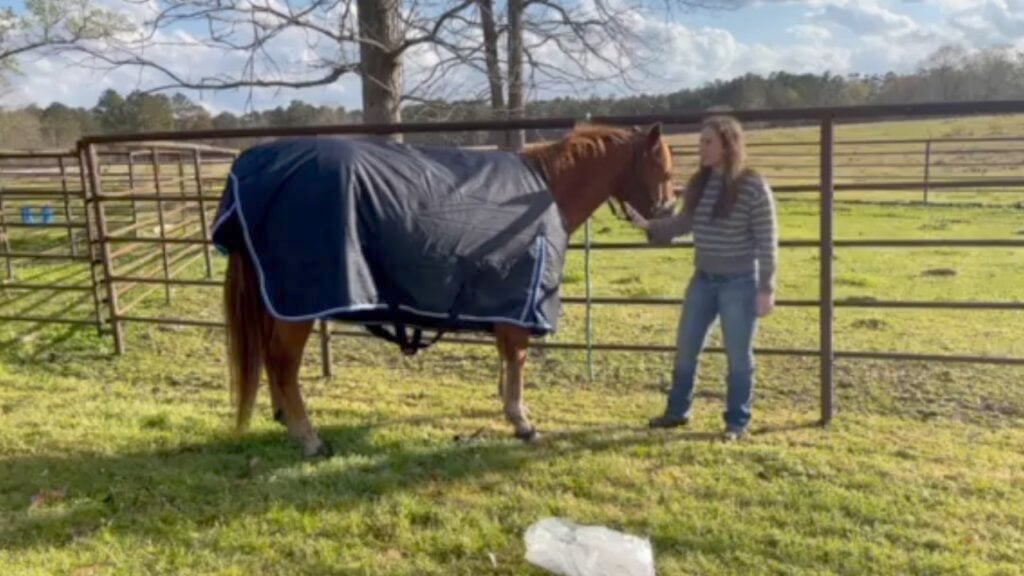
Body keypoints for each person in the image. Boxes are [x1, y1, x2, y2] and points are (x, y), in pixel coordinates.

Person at [624, 115, 778, 441]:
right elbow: (682, 225)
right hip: (704, 279)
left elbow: (767, 240)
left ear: (728, 144)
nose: (701, 149)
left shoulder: (752, 186)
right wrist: (648, 226)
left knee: (738, 357)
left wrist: (766, 287)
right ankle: (677, 412)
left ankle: (736, 423)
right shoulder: (702, 184)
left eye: (708, 142)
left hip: (739, 282)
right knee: (686, 349)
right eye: (700, 142)